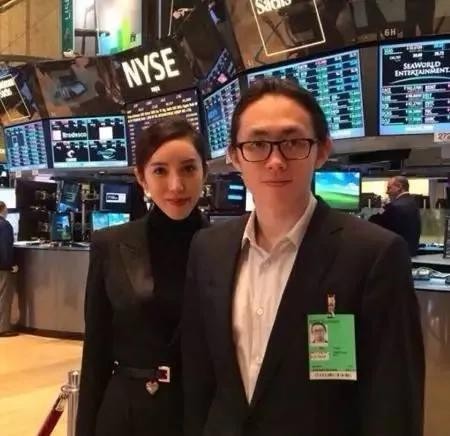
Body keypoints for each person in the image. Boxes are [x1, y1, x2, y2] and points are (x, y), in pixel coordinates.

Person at [182, 78, 424, 436]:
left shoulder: (374, 255)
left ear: (321, 150)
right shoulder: (207, 249)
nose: (275, 161)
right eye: (257, 144)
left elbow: (393, 400)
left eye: (293, 142)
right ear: (234, 156)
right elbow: (198, 377)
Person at [76, 118, 208, 436]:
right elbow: (96, 352)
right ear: (141, 177)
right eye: (160, 171)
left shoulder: (227, 246)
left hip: (200, 413)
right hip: (127, 414)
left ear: (205, 172)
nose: (176, 185)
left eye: (188, 169)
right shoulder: (111, 245)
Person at [369, 176, 421, 256]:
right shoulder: (413, 203)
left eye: (389, 188)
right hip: (409, 253)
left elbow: (373, 221)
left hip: (394, 254)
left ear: (399, 187)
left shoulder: (392, 206)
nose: (387, 192)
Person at [0, 201, 18, 337]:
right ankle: (3, 328)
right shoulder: (5, 225)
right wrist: (10, 265)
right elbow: (5, 247)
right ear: (3, 209)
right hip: (3, 267)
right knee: (4, 297)